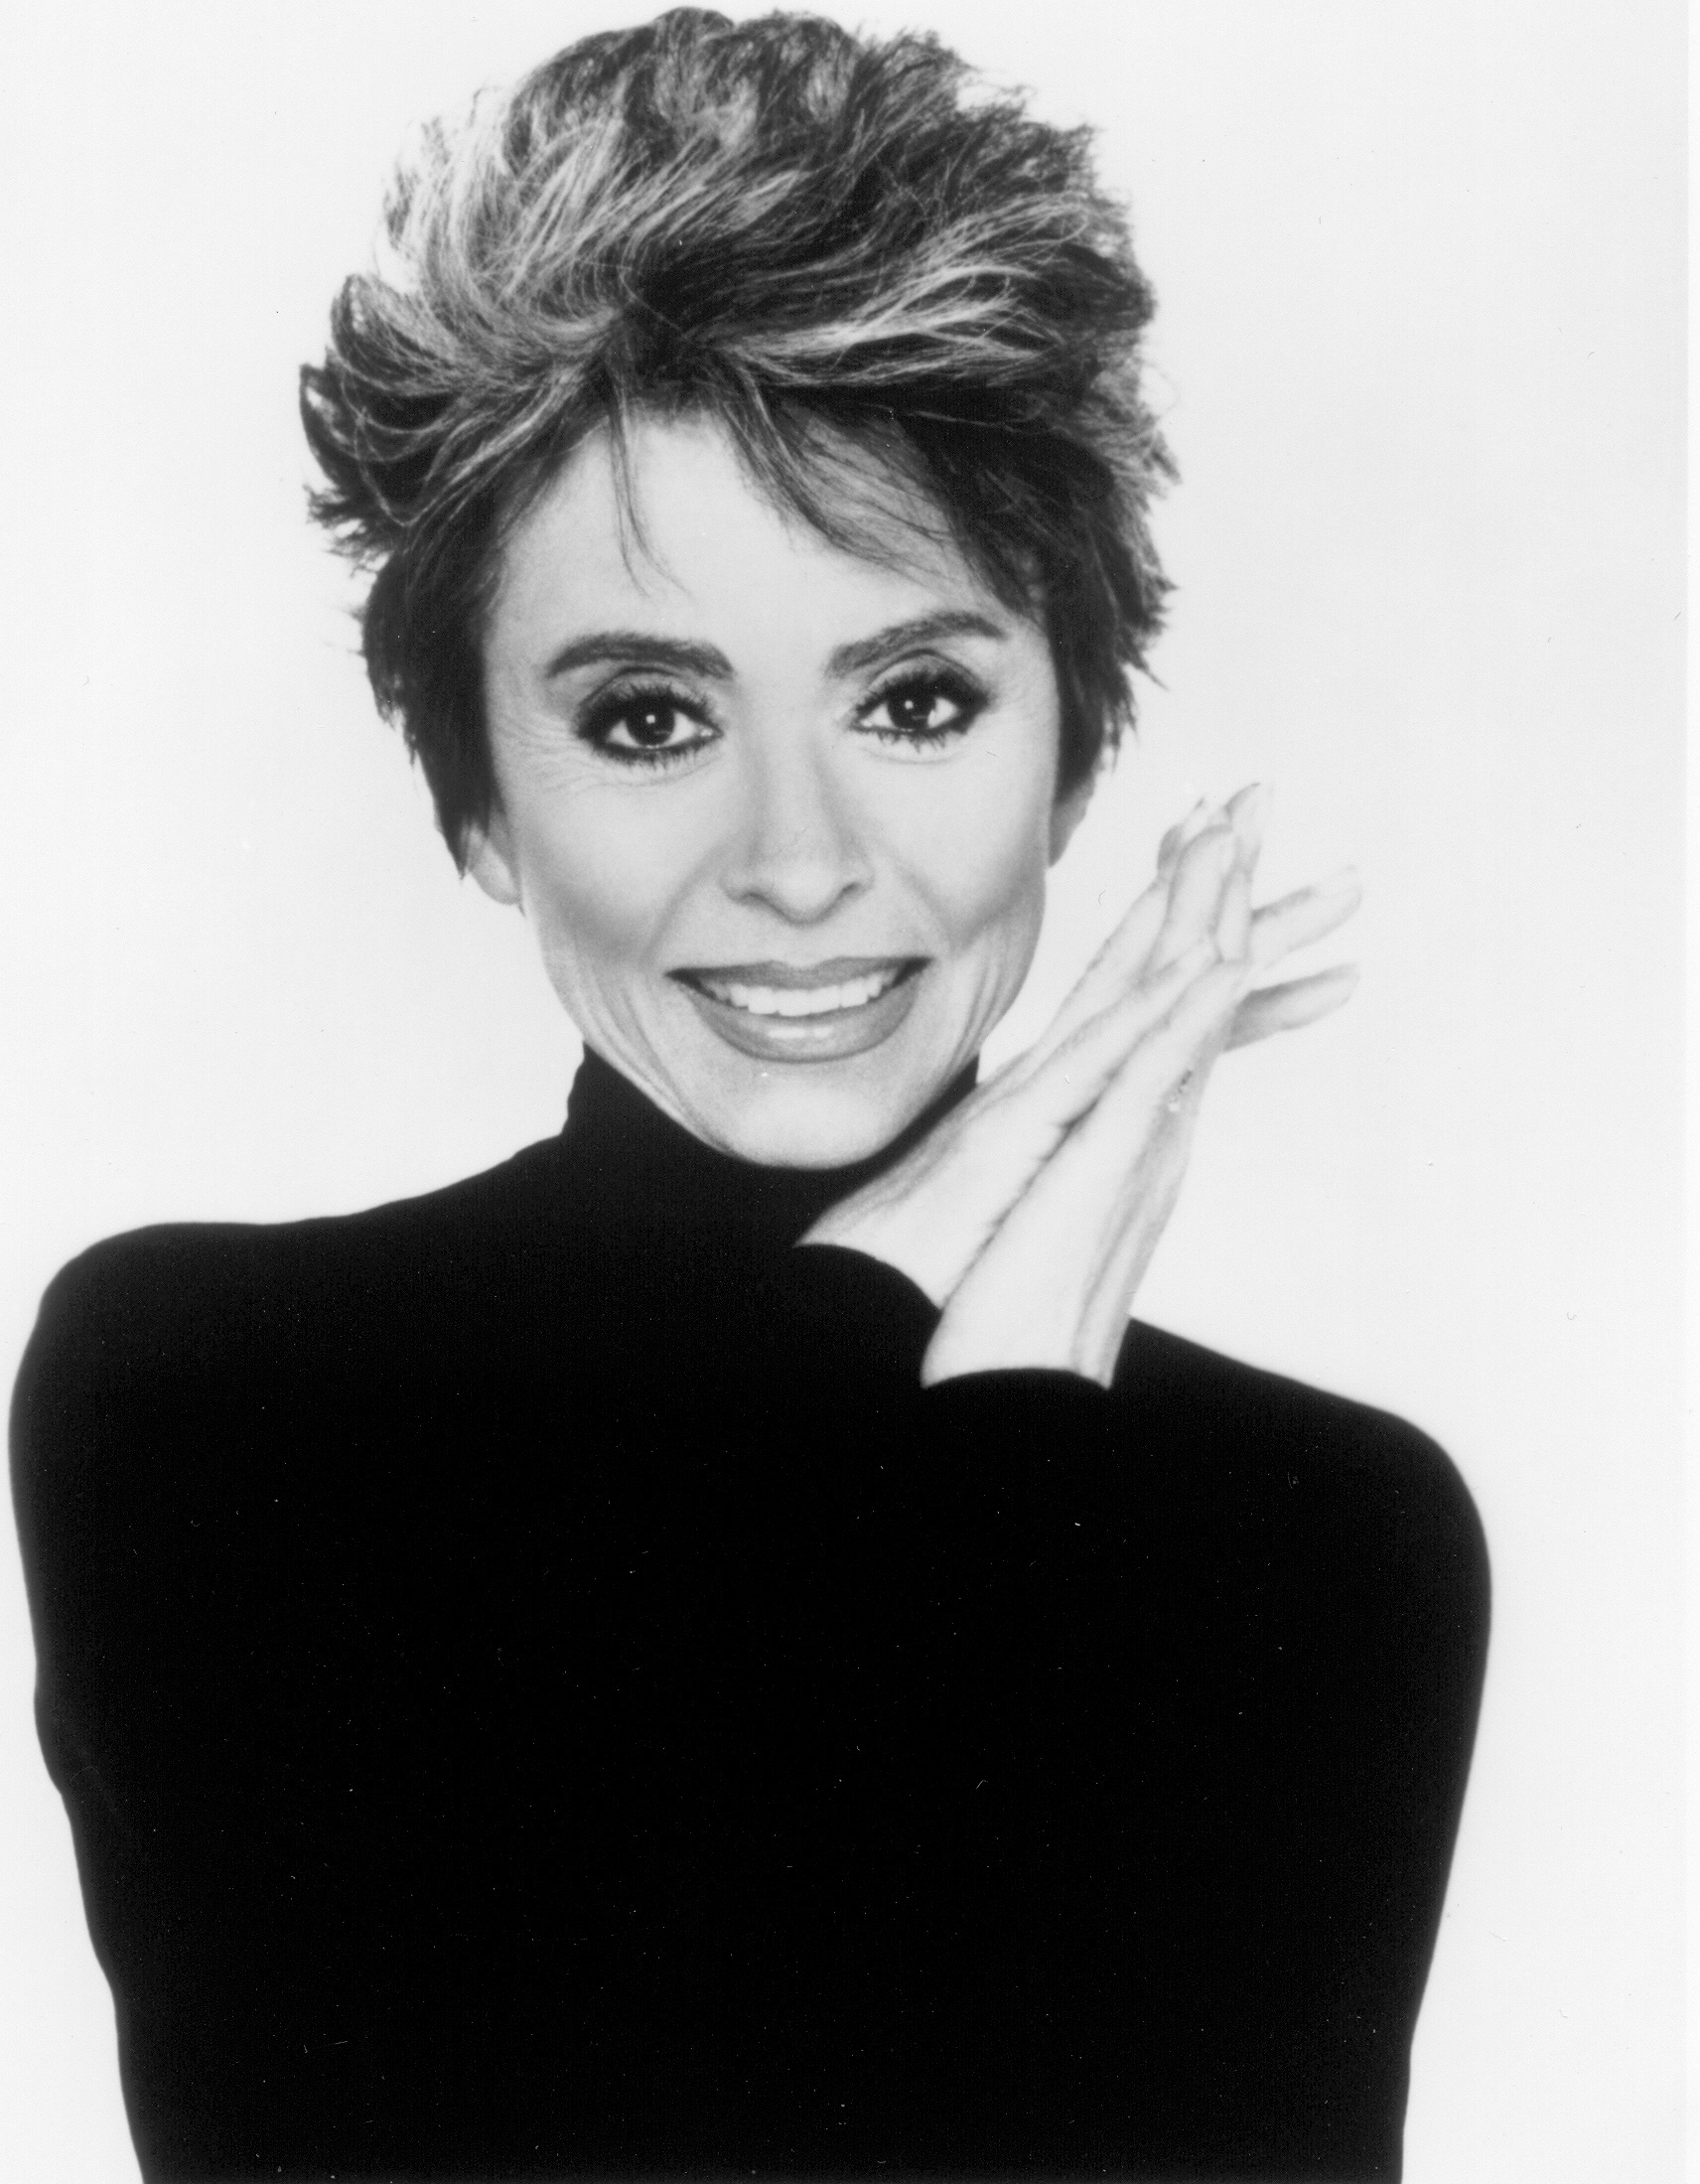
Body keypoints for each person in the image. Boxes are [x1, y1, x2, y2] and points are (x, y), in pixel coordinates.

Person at [11, 11, 1488, 2180]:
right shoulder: (214, 1399)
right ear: (480, 799)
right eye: (641, 717)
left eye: (909, 696)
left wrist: (1002, 1421)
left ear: (1073, 748)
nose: (798, 861)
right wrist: (927, 1314)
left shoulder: (1325, 1537)